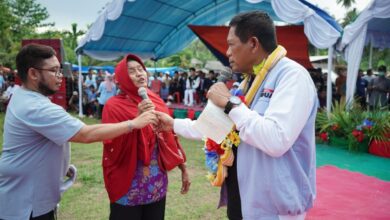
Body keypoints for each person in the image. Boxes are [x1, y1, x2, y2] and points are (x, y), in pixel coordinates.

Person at [156, 11, 317, 219]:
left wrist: (230, 103)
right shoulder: (248, 82)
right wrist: (172, 123)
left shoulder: (292, 76)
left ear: (253, 43)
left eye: (232, 44)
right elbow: (214, 127)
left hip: (275, 204)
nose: (228, 52)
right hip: (242, 193)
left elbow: (276, 139)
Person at [0, 44, 158, 220]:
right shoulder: (35, 107)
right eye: (54, 71)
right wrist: (134, 123)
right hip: (26, 200)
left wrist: (57, 165)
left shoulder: (25, 96)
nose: (61, 76)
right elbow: (85, 133)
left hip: (29, 190)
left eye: (60, 70)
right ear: (33, 74)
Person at [101, 54, 191, 220]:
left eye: (141, 69)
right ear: (122, 77)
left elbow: (169, 137)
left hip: (155, 183)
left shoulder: (155, 100)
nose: (140, 74)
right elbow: (111, 145)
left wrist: (183, 167)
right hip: (128, 183)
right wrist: (136, 120)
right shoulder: (113, 106)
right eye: (132, 71)